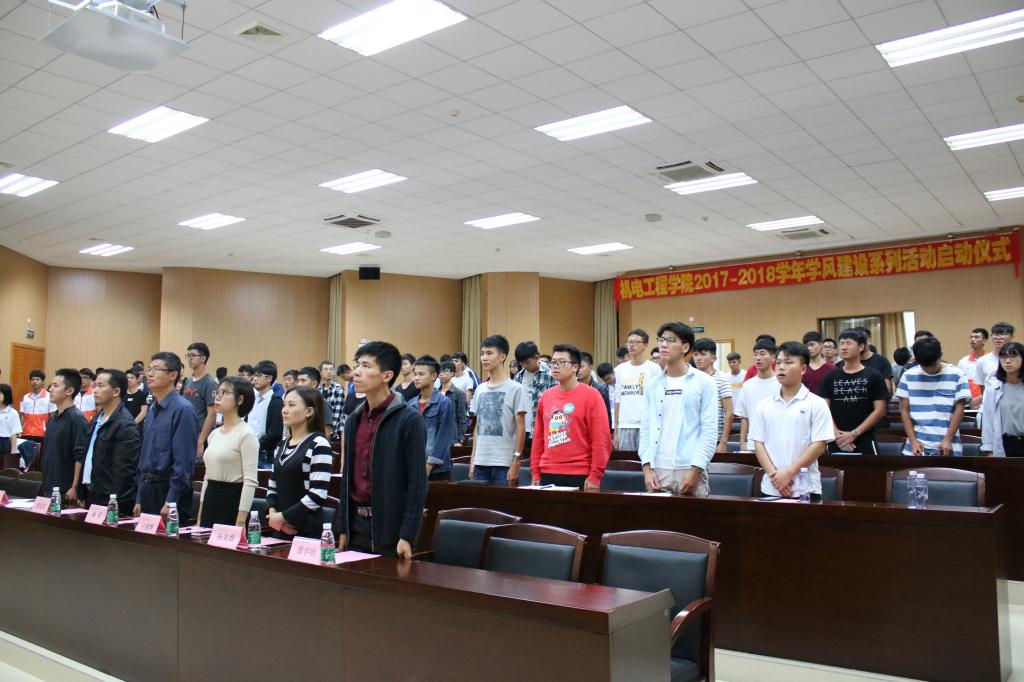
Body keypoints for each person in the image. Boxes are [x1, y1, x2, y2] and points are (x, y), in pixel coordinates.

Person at [336, 341, 427, 559]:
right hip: (355, 526)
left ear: (387, 375)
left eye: (366, 366)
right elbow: (347, 478)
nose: (357, 372)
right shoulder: (353, 420)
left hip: (391, 528)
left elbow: (417, 482)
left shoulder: (409, 419)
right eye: (357, 365)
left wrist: (407, 534)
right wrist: (342, 527)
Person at [638, 323, 717, 497]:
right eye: (661, 340)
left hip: (689, 467)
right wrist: (646, 468)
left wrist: (696, 470)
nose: (664, 345)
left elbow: (709, 431)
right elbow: (646, 428)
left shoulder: (705, 383)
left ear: (685, 347)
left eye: (671, 340)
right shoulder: (652, 385)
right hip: (658, 469)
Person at [751, 342, 835, 499]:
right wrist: (775, 476)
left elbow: (819, 445)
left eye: (788, 362)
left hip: (806, 489)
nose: (781, 367)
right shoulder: (764, 405)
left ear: (803, 369)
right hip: (771, 486)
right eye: (779, 363)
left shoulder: (816, 403)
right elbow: (758, 443)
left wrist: (789, 473)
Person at [530, 344, 610, 490]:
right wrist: (535, 472)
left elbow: (601, 439)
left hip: (579, 473)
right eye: (553, 362)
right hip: (547, 471)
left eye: (561, 362)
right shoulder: (546, 397)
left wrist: (595, 475)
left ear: (575, 367)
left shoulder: (591, 395)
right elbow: (538, 438)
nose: (555, 366)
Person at [134, 352, 198, 521]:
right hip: (148, 488)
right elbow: (144, 455)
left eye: (156, 369)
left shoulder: (183, 409)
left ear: (173, 375)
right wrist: (139, 496)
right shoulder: (152, 409)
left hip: (168, 490)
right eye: (149, 369)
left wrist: (171, 500)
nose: (150, 374)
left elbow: (183, 461)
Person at [266, 386, 333, 539]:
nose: (284, 410)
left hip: (306, 530)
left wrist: (283, 517)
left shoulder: (319, 444)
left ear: (309, 411)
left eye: (291, 405)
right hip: (279, 528)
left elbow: (317, 494)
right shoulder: (281, 445)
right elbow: (272, 486)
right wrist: (273, 515)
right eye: (284, 405)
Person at [198, 376, 259, 527]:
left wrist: (240, 520)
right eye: (217, 392)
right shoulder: (214, 434)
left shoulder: (246, 435)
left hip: (232, 501)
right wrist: (200, 515)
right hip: (210, 498)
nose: (218, 396)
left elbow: (250, 481)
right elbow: (207, 477)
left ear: (240, 400)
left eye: (224, 392)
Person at [895, 336, 971, 456]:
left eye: (933, 365)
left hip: (947, 445)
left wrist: (948, 439)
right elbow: (905, 410)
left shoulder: (957, 374)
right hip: (916, 446)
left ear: (941, 355)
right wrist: (913, 440)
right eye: (925, 366)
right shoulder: (908, 376)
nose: (930, 370)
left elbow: (959, 409)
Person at [469, 335, 528, 486]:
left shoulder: (516, 388)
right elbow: (478, 426)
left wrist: (516, 460)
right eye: (482, 353)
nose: (484, 358)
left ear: (502, 356)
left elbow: (521, 427)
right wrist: (473, 458)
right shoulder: (480, 389)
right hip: (480, 461)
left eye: (489, 353)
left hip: (504, 462)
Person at [820, 329, 888, 455]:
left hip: (865, 438)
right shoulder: (830, 377)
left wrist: (854, 434)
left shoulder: (873, 375)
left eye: (848, 343)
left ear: (861, 347)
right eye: (841, 343)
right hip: (836, 440)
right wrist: (837, 435)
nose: (844, 347)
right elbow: (824, 408)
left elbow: (880, 410)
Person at [82, 370, 140, 515]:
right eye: (94, 386)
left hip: (110, 500)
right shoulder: (97, 419)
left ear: (115, 391)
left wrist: (114, 503)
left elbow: (124, 472)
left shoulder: (125, 424)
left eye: (100, 386)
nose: (95, 390)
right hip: (92, 492)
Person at [39, 369, 89, 504]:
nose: (50, 389)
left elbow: (80, 457)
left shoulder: (77, 419)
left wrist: (74, 487)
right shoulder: (53, 417)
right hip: (48, 485)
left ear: (69, 391)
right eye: (51, 385)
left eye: (56, 386)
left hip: (65, 490)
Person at [613, 328, 662, 451]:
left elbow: (659, 400)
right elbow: (617, 400)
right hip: (625, 425)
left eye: (636, 342)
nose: (632, 345)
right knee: (628, 461)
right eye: (629, 342)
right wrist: (616, 432)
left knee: (646, 461)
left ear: (645, 345)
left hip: (647, 426)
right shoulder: (619, 369)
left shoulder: (654, 369)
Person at [413, 355, 455, 481]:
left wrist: (429, 466)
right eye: (415, 374)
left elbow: (444, 436)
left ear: (433, 376)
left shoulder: (444, 403)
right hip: (415, 466)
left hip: (438, 469)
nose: (416, 378)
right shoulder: (410, 404)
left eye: (421, 374)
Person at [513, 340, 557, 456]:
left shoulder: (551, 375)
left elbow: (556, 405)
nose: (524, 366)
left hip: (541, 430)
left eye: (527, 362)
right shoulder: (519, 377)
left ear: (537, 357)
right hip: (522, 430)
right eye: (522, 363)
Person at [734, 338, 780, 450]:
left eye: (762, 354)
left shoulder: (781, 383)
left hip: (777, 443)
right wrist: (742, 442)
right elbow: (744, 417)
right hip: (753, 444)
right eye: (755, 354)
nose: (758, 358)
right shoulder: (747, 385)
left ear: (773, 358)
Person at [981, 342, 1024, 457]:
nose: (1008, 361)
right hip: (1006, 443)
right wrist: (989, 450)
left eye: (1013, 356)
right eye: (1004, 357)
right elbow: (988, 422)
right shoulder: (993, 389)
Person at [692, 338, 733, 453]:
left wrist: (723, 442)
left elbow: (729, 413)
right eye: (695, 354)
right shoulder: (690, 378)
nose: (698, 358)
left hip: (714, 439)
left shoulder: (722, 378)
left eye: (703, 354)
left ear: (713, 358)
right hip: (692, 439)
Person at [182, 342, 216, 459]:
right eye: (188, 355)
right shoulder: (188, 380)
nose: (189, 358)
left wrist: (201, 440)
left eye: (193, 355)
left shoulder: (210, 383)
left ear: (203, 358)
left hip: (199, 434)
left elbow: (212, 414)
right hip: (186, 431)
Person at [248, 360, 283, 468]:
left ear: (269, 378)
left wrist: (256, 444)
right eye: (254, 376)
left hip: (264, 454)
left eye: (259, 376)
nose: (255, 379)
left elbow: (276, 432)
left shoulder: (275, 401)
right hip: (249, 450)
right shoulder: (253, 399)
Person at [977, 322, 1015, 403]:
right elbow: (983, 386)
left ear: (1012, 337)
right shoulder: (983, 361)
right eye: (995, 334)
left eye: (1003, 334)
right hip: (990, 406)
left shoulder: (1019, 359)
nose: (998, 337)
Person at [19, 369, 55, 445]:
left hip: (42, 433)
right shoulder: (26, 397)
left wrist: (51, 432)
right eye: (32, 379)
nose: (34, 381)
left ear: (43, 381)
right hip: (26, 433)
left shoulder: (49, 396)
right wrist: (20, 431)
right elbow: (22, 416)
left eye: (37, 379)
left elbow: (53, 416)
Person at [578, 352, 611, 428]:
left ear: (590, 367)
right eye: (576, 367)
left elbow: (607, 415)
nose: (578, 370)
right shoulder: (572, 389)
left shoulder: (601, 389)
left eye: (581, 367)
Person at [439, 360, 468, 444]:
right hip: (437, 437)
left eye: (445, 371)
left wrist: (460, 440)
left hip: (452, 438)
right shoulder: (435, 393)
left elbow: (462, 419)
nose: (441, 374)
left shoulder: (459, 394)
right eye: (440, 371)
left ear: (452, 373)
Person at [959, 328, 989, 407]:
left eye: (976, 337)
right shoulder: (963, 362)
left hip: (987, 404)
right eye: (971, 337)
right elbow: (960, 384)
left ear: (984, 340)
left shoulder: (990, 360)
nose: (973, 339)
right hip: (968, 404)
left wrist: (980, 398)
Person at [801, 331, 836, 395]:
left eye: (812, 345)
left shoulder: (832, 369)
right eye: (806, 346)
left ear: (821, 345)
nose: (809, 348)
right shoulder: (802, 369)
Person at [318, 360, 346, 439]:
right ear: (321, 373)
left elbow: (337, 412)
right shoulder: (319, 389)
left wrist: (330, 432)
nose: (329, 372)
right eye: (326, 369)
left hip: (335, 430)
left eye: (331, 369)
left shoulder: (338, 388)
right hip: (321, 429)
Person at [0, 384, 22, 466]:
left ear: (6, 395)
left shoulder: (13, 413)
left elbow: (14, 434)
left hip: (4, 442)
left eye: (0, 393)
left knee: (3, 467)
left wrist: (13, 452)